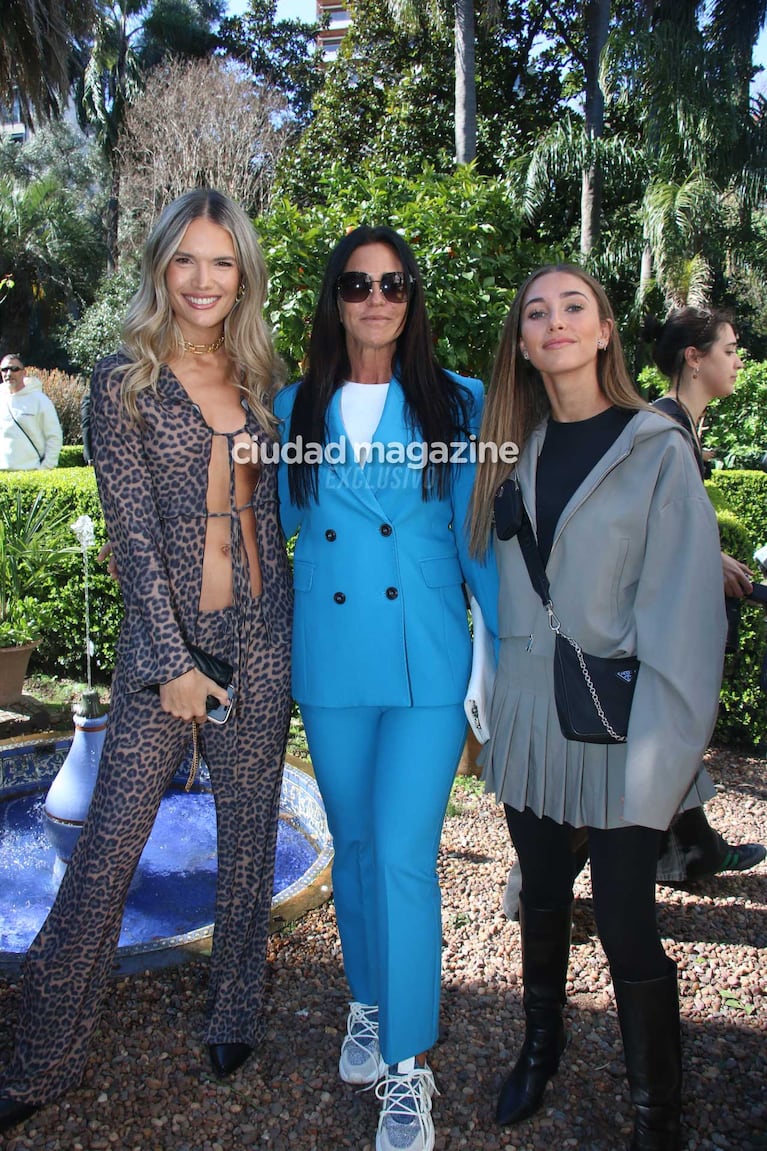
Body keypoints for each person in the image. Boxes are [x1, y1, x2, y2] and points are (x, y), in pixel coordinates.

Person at [0, 189, 293, 1134]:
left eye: (222, 261)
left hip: (262, 633)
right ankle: (40, 1053)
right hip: (163, 654)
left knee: (250, 836)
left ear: (242, 272)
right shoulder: (122, 381)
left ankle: (235, 1008)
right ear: (161, 268)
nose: (205, 280)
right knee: (106, 855)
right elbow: (129, 537)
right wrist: (170, 664)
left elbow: (273, 524)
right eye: (186, 261)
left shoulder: (258, 377)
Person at [469, 265, 727, 1151]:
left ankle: (658, 1113)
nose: (555, 322)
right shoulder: (513, 450)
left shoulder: (656, 448)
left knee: (624, 923)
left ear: (606, 329)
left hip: (621, 731)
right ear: (523, 342)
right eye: (535, 311)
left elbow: (687, 621)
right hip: (531, 725)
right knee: (541, 892)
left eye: (573, 306)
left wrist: (665, 763)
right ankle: (540, 1048)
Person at [273, 224, 497, 1151]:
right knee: (356, 846)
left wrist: (497, 652)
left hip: (427, 661)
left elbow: (477, 538)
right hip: (331, 658)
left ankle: (408, 1067)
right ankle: (368, 1001)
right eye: (357, 284)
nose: (375, 298)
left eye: (393, 284)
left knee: (403, 852)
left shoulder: (460, 401)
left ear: (412, 300)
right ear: (335, 299)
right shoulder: (295, 406)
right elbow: (268, 521)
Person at [644, 306, 766, 881]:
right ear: (694, 359)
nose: (739, 360)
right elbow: (638, 527)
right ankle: (537, 890)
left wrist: (709, 555)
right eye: (729, 349)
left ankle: (691, 852)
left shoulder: (679, 427)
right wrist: (704, 557)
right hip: (651, 632)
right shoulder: (661, 428)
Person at [0, 353, 63, 469]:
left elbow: (54, 436)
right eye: (4, 369)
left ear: (24, 373)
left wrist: (45, 468)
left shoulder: (40, 400)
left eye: (14, 369)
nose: (9, 374)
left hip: (31, 472)